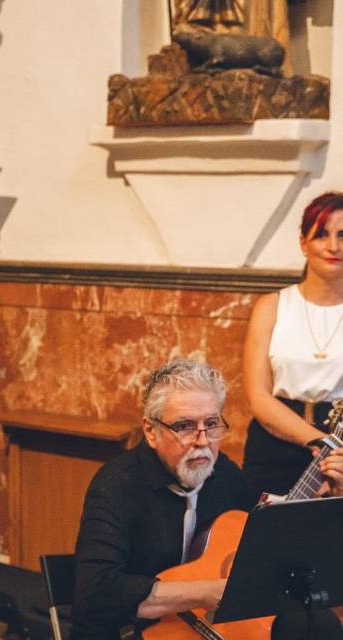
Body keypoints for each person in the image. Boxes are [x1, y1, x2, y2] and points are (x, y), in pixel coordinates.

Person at [70, 358, 343, 640]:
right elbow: (96, 593)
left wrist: (331, 501)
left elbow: (270, 538)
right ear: (151, 431)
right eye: (185, 426)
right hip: (126, 632)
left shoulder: (220, 472)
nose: (202, 441)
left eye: (212, 424)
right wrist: (207, 593)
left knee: (319, 625)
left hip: (197, 627)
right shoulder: (116, 487)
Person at [243, 191, 343, 498]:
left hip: (340, 452)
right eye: (321, 235)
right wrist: (318, 441)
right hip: (274, 447)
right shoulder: (271, 306)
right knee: (264, 537)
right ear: (303, 242)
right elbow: (258, 395)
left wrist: (335, 452)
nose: (334, 246)